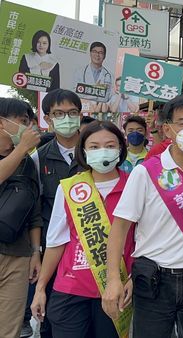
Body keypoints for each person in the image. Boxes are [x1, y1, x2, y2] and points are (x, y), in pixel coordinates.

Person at [103, 94, 183, 338]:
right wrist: (113, 280)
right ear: (167, 129)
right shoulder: (146, 172)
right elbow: (120, 228)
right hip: (154, 279)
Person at [30, 121, 135, 338]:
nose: (102, 151)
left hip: (115, 289)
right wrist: (40, 289)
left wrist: (134, 279)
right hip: (70, 289)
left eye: (110, 145)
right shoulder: (69, 187)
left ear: (120, 149)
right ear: (84, 151)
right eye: (94, 146)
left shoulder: (135, 185)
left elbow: (144, 241)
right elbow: (56, 242)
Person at [30, 89, 84, 338]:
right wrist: (36, 254)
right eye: (59, 114)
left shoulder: (95, 152)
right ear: (48, 119)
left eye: (72, 113)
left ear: (80, 115)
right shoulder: (38, 159)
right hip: (55, 252)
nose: (67, 119)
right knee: (53, 314)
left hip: (91, 249)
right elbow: (35, 211)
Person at [0, 98, 42, 338]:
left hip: (17, 256)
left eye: (29, 122)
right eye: (22, 122)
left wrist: (35, 251)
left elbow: (33, 211)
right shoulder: (21, 154)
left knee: (9, 328)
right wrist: (20, 149)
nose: (28, 129)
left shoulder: (27, 163)